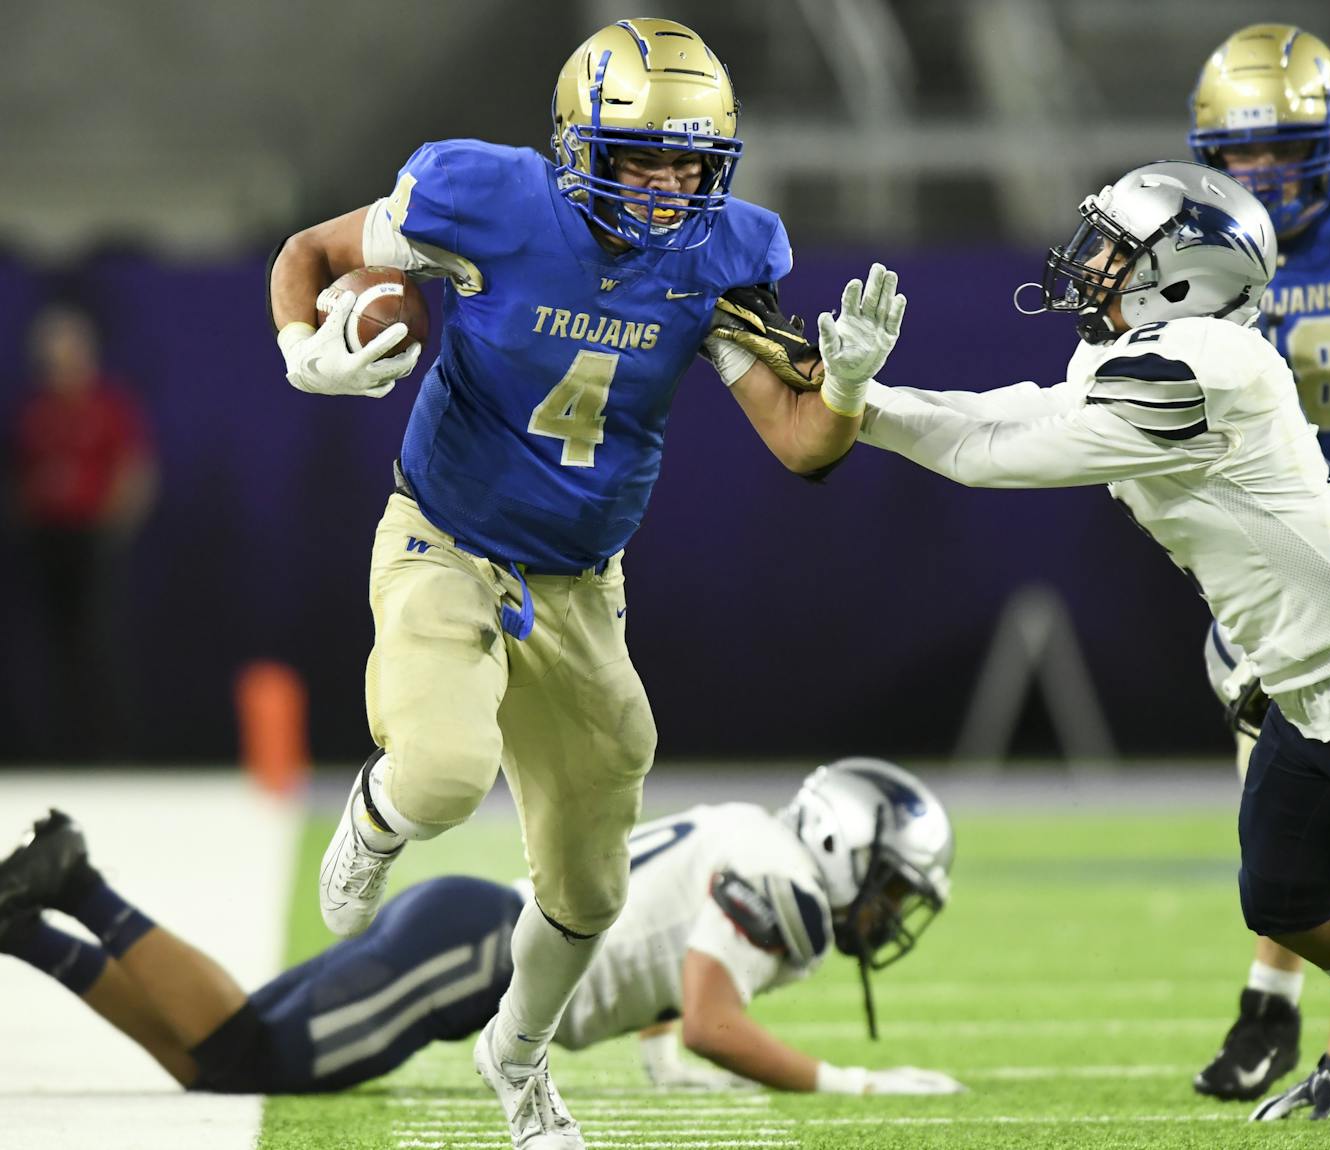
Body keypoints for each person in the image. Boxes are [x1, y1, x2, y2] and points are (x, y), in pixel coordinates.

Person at [266, 18, 878, 1148]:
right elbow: (306, 253)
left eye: (683, 164)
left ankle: (521, 1057)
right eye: (633, 157)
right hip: (443, 538)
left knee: (590, 892)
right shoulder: (483, 200)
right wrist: (306, 347)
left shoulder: (720, 253)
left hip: (583, 586)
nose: (659, 186)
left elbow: (799, 444)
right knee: (444, 774)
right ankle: (376, 814)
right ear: (572, 146)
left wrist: (840, 384)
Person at [812, 159, 1330, 1150]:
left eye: (1113, 248)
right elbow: (1007, 410)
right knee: (1285, 900)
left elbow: (991, 450)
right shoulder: (1152, 354)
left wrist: (863, 405)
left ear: (1179, 273)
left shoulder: (1204, 368)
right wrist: (857, 394)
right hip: (1302, 690)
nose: (1089, 262)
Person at [0, 760, 962, 1100]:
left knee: (210, 1057)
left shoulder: (756, 838)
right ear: (839, 844)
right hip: (472, 955)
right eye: (886, 886)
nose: (884, 913)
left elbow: (665, 942)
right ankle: (78, 885)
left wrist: (660, 1041)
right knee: (242, 1050)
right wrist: (851, 1082)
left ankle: (27, 927)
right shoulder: (786, 888)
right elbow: (716, 1017)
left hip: (465, 926)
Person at [1182, 24, 1330, 1111]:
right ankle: (1284, 1012)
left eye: (1286, 148)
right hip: (1277, 566)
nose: (1263, 174)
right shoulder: (1190, 242)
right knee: (1285, 844)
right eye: (1241, 155)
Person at [9, 304, 158, 760]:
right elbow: (21, 474)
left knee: (96, 643)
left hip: (91, 541)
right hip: (46, 540)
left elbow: (134, 471)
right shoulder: (34, 411)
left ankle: (106, 747)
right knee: (52, 646)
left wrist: (110, 527)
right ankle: (52, 746)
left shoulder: (107, 405)